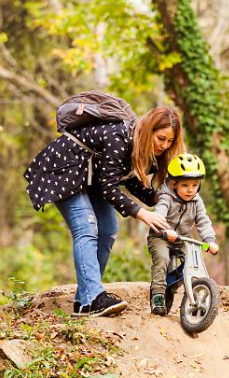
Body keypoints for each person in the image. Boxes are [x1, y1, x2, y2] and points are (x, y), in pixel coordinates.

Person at [24, 107, 185, 317]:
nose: (164, 145)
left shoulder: (138, 149)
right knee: (86, 227)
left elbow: (128, 181)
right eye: (161, 138)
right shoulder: (119, 137)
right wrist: (143, 214)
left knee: (108, 229)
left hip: (93, 178)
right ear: (148, 131)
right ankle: (93, 297)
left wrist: (161, 198)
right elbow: (109, 187)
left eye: (169, 142)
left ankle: (84, 302)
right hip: (65, 168)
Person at [147, 153, 219, 316]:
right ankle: (158, 294)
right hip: (160, 236)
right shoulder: (166, 197)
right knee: (162, 259)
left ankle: (191, 294)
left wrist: (209, 240)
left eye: (194, 185)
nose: (190, 190)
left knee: (194, 261)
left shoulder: (196, 201)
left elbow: (203, 220)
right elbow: (159, 214)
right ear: (173, 184)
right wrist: (165, 230)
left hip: (182, 239)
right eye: (185, 185)